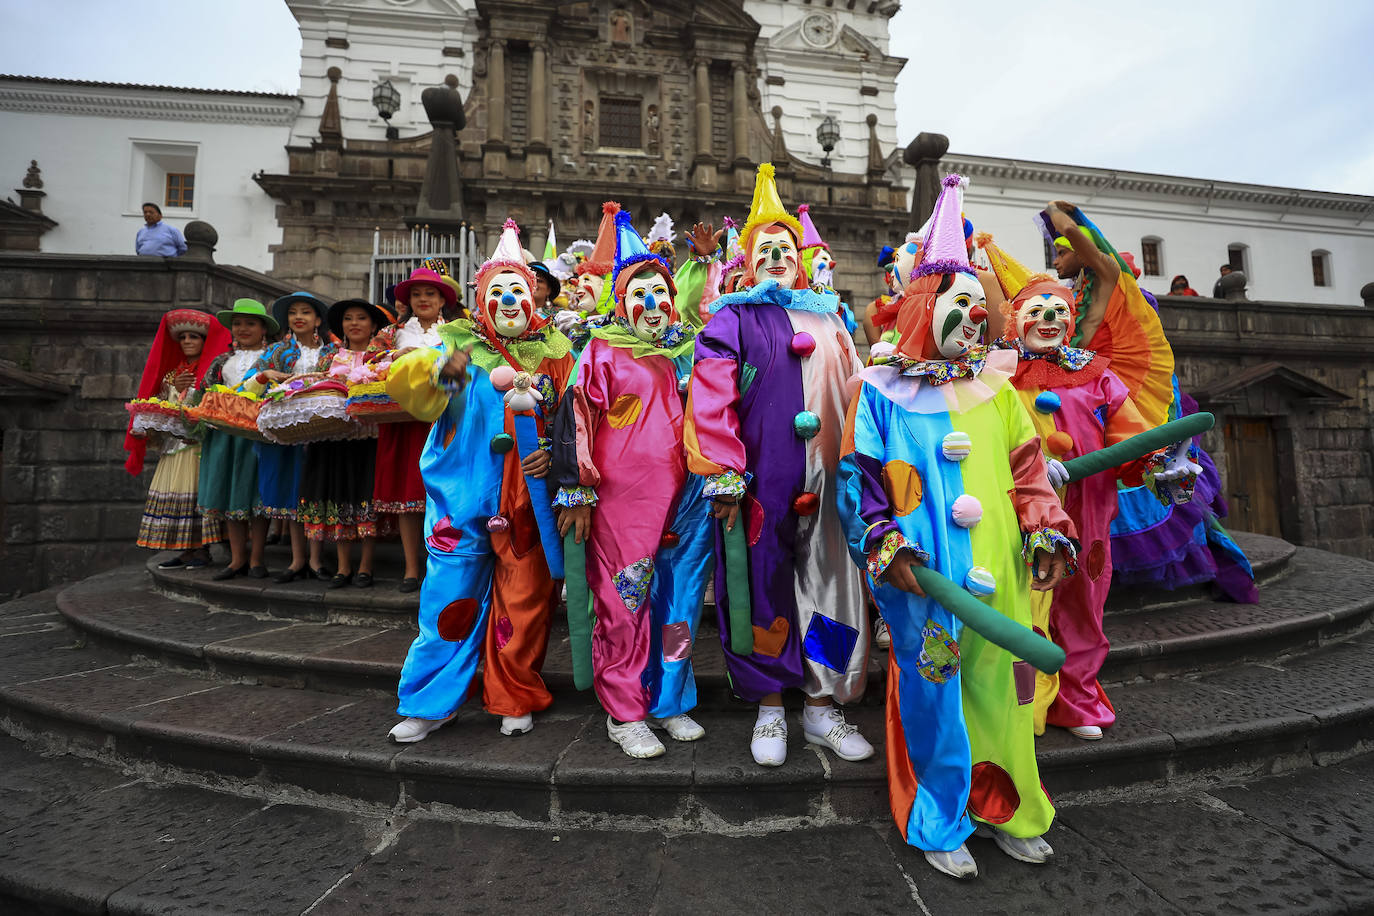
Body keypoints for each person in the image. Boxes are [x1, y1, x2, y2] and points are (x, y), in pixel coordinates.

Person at [838, 175, 1076, 879]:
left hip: (998, 569)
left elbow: (1029, 471)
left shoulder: (998, 392)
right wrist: (887, 548)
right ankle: (941, 814)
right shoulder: (878, 395)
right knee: (933, 692)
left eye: (980, 306)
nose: (975, 317)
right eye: (959, 303)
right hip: (925, 582)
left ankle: (1011, 807)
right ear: (920, 307)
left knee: (1004, 686)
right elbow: (860, 484)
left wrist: (1045, 533)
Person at [686, 163, 873, 768]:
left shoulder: (830, 320)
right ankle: (769, 704)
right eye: (764, 248)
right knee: (757, 584)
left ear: (800, 258)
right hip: (755, 483)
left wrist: (859, 469)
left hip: (826, 482)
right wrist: (724, 470)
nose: (775, 256)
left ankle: (822, 707)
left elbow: (852, 393)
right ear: (746, 259)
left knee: (832, 586)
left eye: (784, 248)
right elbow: (710, 395)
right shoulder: (730, 319)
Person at [386, 219, 576, 743]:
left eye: (518, 289)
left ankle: (513, 692)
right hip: (462, 496)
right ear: (480, 300)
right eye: (497, 291)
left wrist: (555, 461)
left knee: (526, 601)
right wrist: (450, 362)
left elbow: (576, 421)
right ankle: (429, 702)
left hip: (529, 501)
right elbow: (427, 401)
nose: (510, 300)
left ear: (533, 299)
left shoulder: (557, 353)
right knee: (448, 597)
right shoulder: (457, 346)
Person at [552, 210, 713, 759]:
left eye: (660, 291)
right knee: (624, 602)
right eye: (638, 293)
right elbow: (576, 416)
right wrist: (575, 488)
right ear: (620, 301)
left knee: (681, 602)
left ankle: (671, 700)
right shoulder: (600, 350)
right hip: (624, 504)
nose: (652, 303)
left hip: (688, 500)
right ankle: (625, 710)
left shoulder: (689, 351)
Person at [367, 267, 456, 592]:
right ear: (407, 300)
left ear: (442, 299)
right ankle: (410, 567)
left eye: (430, 294)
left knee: (444, 493)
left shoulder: (457, 332)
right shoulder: (391, 333)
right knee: (407, 493)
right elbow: (367, 363)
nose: (423, 300)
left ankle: (442, 564)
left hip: (445, 419)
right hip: (402, 420)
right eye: (416, 294)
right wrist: (394, 356)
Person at [242, 292, 338, 583]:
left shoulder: (332, 352)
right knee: (293, 494)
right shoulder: (275, 351)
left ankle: (317, 558)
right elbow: (248, 381)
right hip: (287, 431)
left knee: (316, 493)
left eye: (306, 312)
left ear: (318, 320)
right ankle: (298, 560)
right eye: (294, 312)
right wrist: (266, 375)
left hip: (323, 431)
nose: (299, 317)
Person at [299, 298, 393, 588]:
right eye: (349, 318)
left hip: (369, 436)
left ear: (374, 325)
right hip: (335, 436)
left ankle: (365, 565)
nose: (354, 324)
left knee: (364, 497)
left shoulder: (384, 358)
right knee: (340, 497)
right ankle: (342, 566)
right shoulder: (330, 357)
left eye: (361, 318)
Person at [126, 308, 231, 567]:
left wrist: (190, 390)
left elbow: (212, 405)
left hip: (199, 444)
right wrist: (174, 390)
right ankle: (185, 549)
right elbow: (163, 405)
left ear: (204, 341)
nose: (186, 342)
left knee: (196, 493)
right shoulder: (171, 375)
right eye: (182, 337)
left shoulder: (212, 371)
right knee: (176, 492)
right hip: (175, 446)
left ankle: (202, 550)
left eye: (193, 337)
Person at [196, 299, 276, 579]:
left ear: (263, 328)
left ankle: (257, 558)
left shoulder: (272, 358)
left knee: (255, 493)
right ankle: (237, 558)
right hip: (224, 435)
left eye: (250, 323)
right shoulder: (221, 361)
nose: (243, 329)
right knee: (230, 493)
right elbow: (205, 392)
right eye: (238, 324)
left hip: (257, 432)